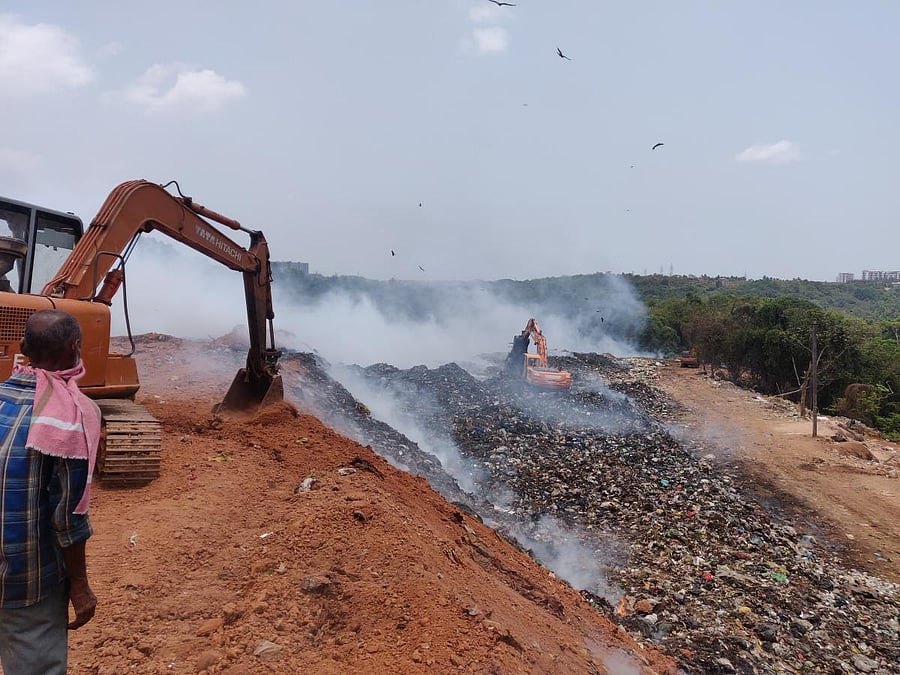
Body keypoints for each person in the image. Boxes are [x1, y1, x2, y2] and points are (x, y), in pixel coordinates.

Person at [0, 309, 100, 674]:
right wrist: (80, 586)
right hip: (25, 577)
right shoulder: (71, 418)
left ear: (24, 347)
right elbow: (67, 519)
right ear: (75, 348)